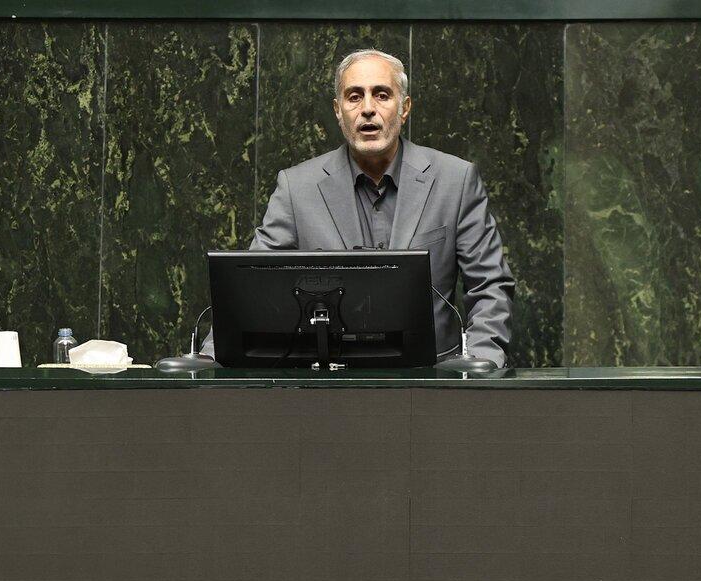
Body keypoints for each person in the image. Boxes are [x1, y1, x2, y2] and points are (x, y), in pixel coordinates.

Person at [206, 48, 515, 367]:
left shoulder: (456, 181)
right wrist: (210, 356)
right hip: (330, 380)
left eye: (382, 95)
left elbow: (490, 284)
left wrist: (481, 361)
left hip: (432, 378)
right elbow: (252, 287)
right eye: (354, 97)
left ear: (404, 108)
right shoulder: (296, 189)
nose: (368, 109)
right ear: (338, 111)